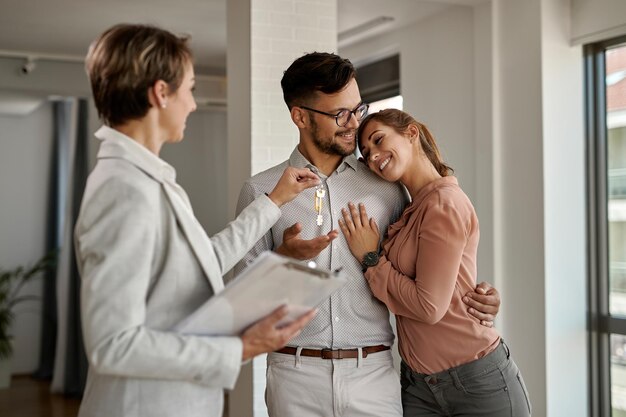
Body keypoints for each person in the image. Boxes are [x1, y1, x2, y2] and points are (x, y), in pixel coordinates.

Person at [235, 52, 501, 417]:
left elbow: (425, 271)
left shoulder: (387, 187)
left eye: (357, 109)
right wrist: (281, 260)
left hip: (374, 376)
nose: (352, 124)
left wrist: (479, 296)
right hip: (293, 376)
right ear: (300, 116)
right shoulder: (261, 191)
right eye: (339, 114)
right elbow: (243, 305)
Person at [74, 24, 320, 417]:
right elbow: (112, 345)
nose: (192, 103)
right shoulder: (123, 190)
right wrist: (240, 347)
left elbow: (201, 260)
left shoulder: (145, 180)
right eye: (189, 88)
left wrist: (274, 201)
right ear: (160, 93)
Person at [339, 108, 531, 416]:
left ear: (411, 133)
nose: (374, 155)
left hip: (475, 382)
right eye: (367, 153)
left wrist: (370, 259)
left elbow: (429, 306)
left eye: (378, 140)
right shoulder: (413, 206)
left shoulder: (443, 204)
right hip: (420, 385)